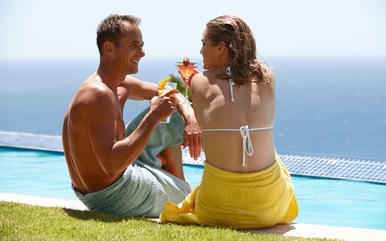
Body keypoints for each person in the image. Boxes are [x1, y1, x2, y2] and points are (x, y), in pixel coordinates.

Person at [160, 15, 298, 229]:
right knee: (275, 158)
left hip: (216, 208)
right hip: (269, 208)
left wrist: (181, 103)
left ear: (221, 47)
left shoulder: (199, 81)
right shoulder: (267, 76)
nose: (200, 51)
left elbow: (198, 107)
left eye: (204, 44)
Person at [62, 14, 201, 218]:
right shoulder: (98, 95)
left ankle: (177, 184)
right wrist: (153, 116)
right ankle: (181, 190)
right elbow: (111, 166)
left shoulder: (118, 85)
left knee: (173, 110)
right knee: (195, 202)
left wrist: (191, 118)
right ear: (109, 48)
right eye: (134, 46)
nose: (142, 53)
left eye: (142, 46)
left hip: (105, 186)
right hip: (114, 195)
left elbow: (171, 93)